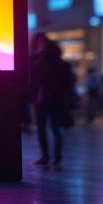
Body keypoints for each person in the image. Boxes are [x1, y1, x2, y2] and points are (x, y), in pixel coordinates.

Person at [29, 33, 74, 169]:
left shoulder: (43, 60)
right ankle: (53, 158)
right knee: (51, 128)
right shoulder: (51, 60)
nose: (39, 45)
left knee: (48, 128)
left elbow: (37, 78)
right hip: (47, 98)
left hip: (47, 98)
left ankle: (49, 157)